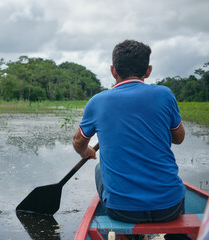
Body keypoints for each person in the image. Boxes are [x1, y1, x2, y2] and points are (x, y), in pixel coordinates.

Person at [73, 40, 187, 239]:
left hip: (122, 211)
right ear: (148, 71)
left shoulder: (98, 101)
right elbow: (179, 138)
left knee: (100, 168)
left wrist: (86, 151)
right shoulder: (165, 95)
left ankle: (131, 235)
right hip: (169, 207)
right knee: (171, 186)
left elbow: (78, 141)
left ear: (113, 71)